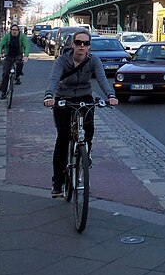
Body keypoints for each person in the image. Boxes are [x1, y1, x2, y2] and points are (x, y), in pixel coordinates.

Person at [43, 30, 118, 198]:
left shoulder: (94, 60)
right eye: (78, 43)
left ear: (89, 46)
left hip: (84, 97)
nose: (82, 46)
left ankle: (86, 154)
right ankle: (58, 182)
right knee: (63, 137)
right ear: (72, 44)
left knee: (89, 129)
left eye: (85, 43)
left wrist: (110, 95)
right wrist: (49, 95)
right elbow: (54, 79)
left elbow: (102, 79)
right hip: (64, 98)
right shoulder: (62, 60)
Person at [0, 23, 30, 99]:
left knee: (19, 63)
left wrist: (26, 56)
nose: (14, 31)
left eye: (16, 30)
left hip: (18, 54)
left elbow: (27, 46)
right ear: (10, 30)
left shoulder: (22, 37)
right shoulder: (7, 36)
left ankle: (17, 76)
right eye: (13, 30)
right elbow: (0, 44)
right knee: (5, 73)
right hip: (8, 55)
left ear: (18, 31)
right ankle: (3, 92)